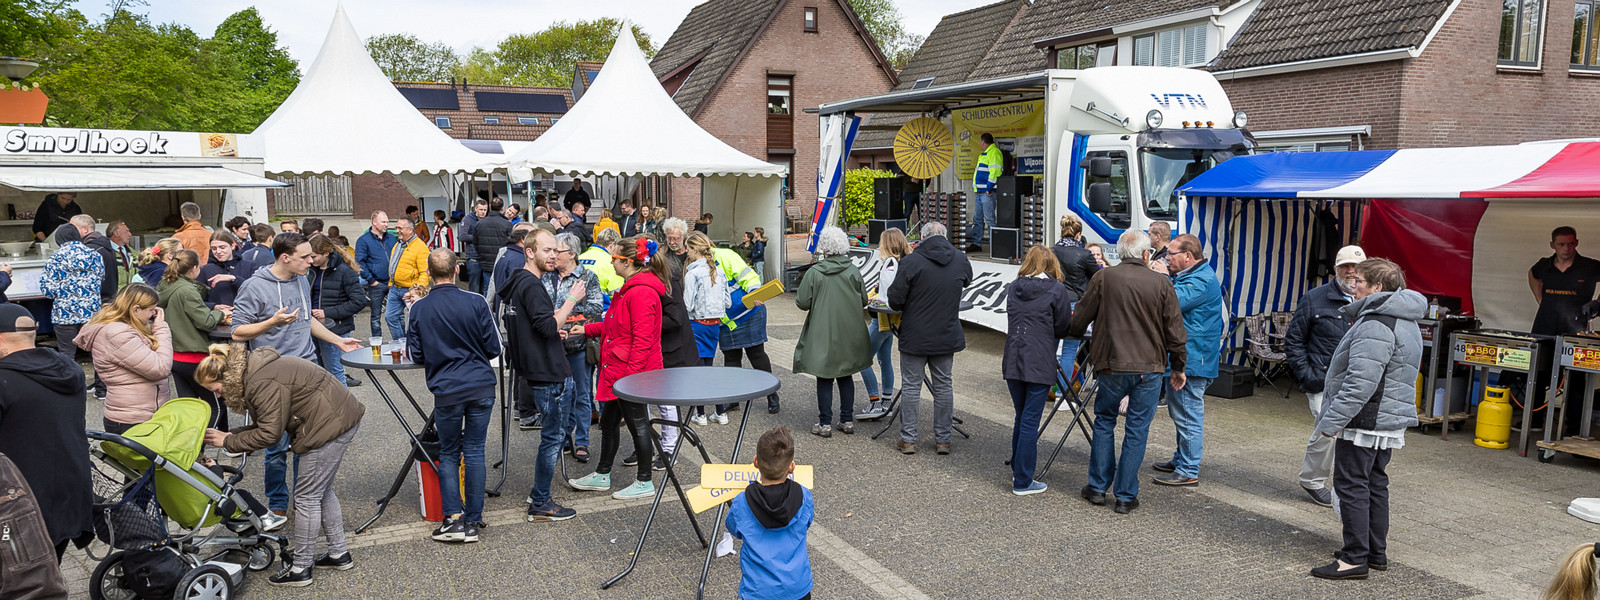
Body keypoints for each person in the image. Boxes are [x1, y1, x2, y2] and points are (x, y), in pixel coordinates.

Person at [198, 342, 365, 587]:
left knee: (307, 497)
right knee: (320, 492)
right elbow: (268, 423)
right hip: (336, 416)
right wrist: (230, 435)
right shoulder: (254, 370)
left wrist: (229, 441)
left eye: (217, 390)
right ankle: (339, 554)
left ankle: (301, 569)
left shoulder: (260, 382)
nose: (219, 396)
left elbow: (269, 434)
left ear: (227, 377)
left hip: (328, 425)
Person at [231, 232, 363, 522]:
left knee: (307, 443)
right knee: (276, 446)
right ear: (285, 257)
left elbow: (307, 320)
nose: (311, 261)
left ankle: (302, 499)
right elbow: (237, 331)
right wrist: (272, 322)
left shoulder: (302, 279)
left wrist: (338, 340)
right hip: (273, 381)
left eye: (311, 255)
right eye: (304, 257)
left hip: (307, 374)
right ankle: (277, 502)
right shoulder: (254, 287)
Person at [1309, 258, 1424, 581]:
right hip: (1384, 416)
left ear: (1377, 287)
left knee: (1351, 486)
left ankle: (1354, 558)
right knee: (1374, 483)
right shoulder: (1404, 317)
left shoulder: (1376, 322)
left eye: (1358, 281)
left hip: (1367, 417)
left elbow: (1360, 382)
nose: (1352, 285)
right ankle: (1374, 552)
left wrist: (1331, 422)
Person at [1066, 230, 1186, 515]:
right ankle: (1125, 495)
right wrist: (1179, 367)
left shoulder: (1103, 278)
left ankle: (1098, 487)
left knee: (1104, 422)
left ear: (1119, 253)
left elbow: (1080, 319)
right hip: (1149, 367)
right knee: (1137, 430)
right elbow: (1175, 332)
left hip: (1111, 364)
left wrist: (1072, 332)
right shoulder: (1162, 283)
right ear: (1146, 254)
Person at [407, 249, 503, 540]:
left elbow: (415, 354)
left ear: (428, 272)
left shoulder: (419, 308)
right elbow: (495, 347)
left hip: (447, 388)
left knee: (449, 452)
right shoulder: (476, 301)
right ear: (457, 270)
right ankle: (473, 519)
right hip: (480, 384)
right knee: (474, 450)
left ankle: (453, 519)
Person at [566, 236, 666, 501]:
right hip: (619, 371)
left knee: (637, 425)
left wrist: (630, 379)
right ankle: (602, 474)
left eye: (614, 259)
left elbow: (643, 340)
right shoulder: (632, 288)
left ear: (627, 262)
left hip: (628, 373)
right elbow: (616, 325)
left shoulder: (640, 292)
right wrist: (586, 329)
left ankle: (644, 481)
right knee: (609, 423)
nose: (611, 263)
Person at [499, 229, 585, 517]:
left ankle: (539, 493)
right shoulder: (532, 285)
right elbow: (546, 325)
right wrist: (571, 300)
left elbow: (532, 326)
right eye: (547, 250)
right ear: (529, 252)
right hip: (550, 373)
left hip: (537, 369)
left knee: (555, 433)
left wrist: (550, 332)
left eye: (555, 251)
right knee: (553, 437)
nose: (553, 256)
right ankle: (540, 502)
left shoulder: (516, 283)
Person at [0, 303, 95, 561]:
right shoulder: (68, 369)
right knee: (47, 568)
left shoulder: (5, 380)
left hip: (18, 501)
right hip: (68, 493)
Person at [1286, 244, 1366, 507]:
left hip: (1359, 381)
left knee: (1354, 434)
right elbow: (1294, 341)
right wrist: (1308, 376)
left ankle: (1349, 481)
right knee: (1328, 430)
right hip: (1323, 381)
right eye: (1345, 267)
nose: (1351, 272)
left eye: (1356, 267)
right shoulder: (1314, 298)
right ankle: (1313, 481)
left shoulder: (1372, 300)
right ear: (1335, 269)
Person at [887, 221, 972, 455]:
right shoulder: (960, 259)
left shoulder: (911, 261)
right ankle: (943, 440)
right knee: (944, 385)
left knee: (911, 386)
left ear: (922, 237)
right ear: (945, 236)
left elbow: (895, 300)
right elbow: (967, 280)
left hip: (915, 334)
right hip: (946, 333)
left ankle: (908, 439)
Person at [1150, 234, 1223, 488]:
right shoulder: (1194, 275)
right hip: (1189, 355)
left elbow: (1172, 302)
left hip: (1193, 358)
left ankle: (1188, 469)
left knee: (1188, 413)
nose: (1167, 258)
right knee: (1179, 411)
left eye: (1171, 254)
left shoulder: (1201, 280)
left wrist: (1163, 277)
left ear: (1188, 256)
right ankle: (1181, 458)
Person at [1003, 246, 1075, 496]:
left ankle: (1018, 467)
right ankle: (1023, 480)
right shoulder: (1056, 289)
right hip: (1040, 358)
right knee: (1030, 420)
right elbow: (1063, 326)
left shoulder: (1014, 287)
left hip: (1013, 356)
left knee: (1021, 416)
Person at [794, 227, 871, 438]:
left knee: (824, 376)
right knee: (846, 374)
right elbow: (864, 300)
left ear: (824, 247)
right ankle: (847, 420)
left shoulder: (814, 272)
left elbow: (802, 302)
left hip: (822, 331)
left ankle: (824, 423)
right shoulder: (853, 271)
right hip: (849, 331)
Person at [726, 426, 814, 600]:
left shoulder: (742, 501)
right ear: (792, 467)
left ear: (756, 462)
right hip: (797, 588)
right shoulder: (804, 496)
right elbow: (807, 522)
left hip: (759, 590)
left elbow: (734, 529)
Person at [1530, 227, 1600, 437]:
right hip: (1544, 326)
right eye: (1561, 244)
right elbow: (1532, 274)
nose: (1566, 248)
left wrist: (1597, 303)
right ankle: (1534, 420)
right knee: (1538, 373)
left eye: (1570, 243)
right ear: (1552, 245)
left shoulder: (1590, 266)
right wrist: (1539, 297)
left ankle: (1573, 429)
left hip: (1575, 330)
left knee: (1576, 379)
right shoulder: (1544, 265)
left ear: (1576, 243)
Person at [76, 283, 173, 435]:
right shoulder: (118, 334)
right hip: (133, 419)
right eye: (150, 310)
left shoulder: (124, 328)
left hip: (138, 414)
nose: (152, 315)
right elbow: (160, 368)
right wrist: (161, 328)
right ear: (135, 310)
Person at [158, 249, 234, 431]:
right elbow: (206, 322)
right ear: (194, 268)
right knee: (215, 406)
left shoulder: (166, 285)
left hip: (175, 356)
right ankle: (203, 443)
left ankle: (192, 445)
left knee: (189, 408)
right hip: (194, 356)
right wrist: (220, 313)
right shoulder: (186, 291)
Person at [553, 232, 603, 463]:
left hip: (579, 344)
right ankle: (563, 438)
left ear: (572, 254)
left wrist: (565, 312)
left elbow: (596, 307)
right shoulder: (547, 276)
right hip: (553, 344)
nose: (553, 255)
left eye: (557, 251)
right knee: (560, 395)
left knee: (582, 394)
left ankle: (582, 441)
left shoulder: (587, 277)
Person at [858, 228, 909, 419]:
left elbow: (887, 296)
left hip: (882, 319)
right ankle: (887, 401)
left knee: (862, 359)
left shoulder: (889, 263)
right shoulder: (905, 262)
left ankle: (875, 402)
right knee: (884, 360)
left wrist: (874, 299)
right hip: (894, 321)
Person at [685, 232, 733, 424]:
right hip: (714, 326)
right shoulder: (719, 272)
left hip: (697, 325)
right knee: (708, 368)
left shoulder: (693, 274)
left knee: (699, 370)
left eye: (688, 249)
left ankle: (701, 413)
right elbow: (728, 302)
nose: (687, 252)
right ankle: (719, 411)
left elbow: (687, 305)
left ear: (695, 250)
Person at [308, 234, 367, 387]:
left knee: (335, 373)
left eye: (313, 256)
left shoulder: (344, 271)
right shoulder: (310, 270)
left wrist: (327, 312)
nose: (310, 260)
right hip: (314, 327)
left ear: (326, 253)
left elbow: (359, 301)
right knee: (318, 373)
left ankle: (343, 402)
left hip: (336, 329)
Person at [41, 223, 104, 366]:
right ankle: (100, 382)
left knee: (67, 355)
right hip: (92, 313)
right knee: (97, 353)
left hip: (64, 314)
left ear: (58, 239)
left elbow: (48, 291)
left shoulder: (55, 258)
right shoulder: (95, 255)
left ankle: (71, 380)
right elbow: (101, 279)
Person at [1052, 214, 1101, 378]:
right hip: (1075, 304)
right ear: (1078, 234)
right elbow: (1098, 277)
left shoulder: (1051, 252)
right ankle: (1063, 390)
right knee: (1069, 351)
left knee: (1050, 349)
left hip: (1054, 303)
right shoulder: (1084, 254)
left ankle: (1045, 387)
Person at [385, 216, 430, 339]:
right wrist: (391, 284)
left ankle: (415, 344)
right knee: (390, 317)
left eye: (400, 228)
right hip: (395, 289)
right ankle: (401, 343)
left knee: (416, 322)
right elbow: (393, 265)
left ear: (410, 230)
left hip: (411, 291)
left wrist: (415, 291)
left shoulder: (420, 247)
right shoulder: (398, 244)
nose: (397, 231)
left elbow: (425, 273)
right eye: (396, 228)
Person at [355, 211, 398, 338]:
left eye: (387, 222)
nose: (386, 224)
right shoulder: (363, 240)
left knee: (398, 315)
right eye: (383, 222)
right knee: (375, 316)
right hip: (376, 283)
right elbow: (360, 263)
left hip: (393, 283)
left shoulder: (392, 238)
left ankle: (401, 341)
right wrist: (371, 280)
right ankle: (377, 343)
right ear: (374, 222)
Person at [965, 133, 1001, 252]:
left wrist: (989, 188)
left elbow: (995, 172)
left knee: (989, 219)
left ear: (983, 142)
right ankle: (977, 243)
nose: (980, 144)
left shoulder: (994, 153)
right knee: (978, 219)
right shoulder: (985, 154)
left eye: (980, 142)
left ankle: (995, 246)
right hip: (980, 192)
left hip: (987, 192)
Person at [489, 225, 535, 320]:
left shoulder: (506, 255)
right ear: (523, 239)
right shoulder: (520, 260)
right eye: (533, 236)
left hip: (504, 312)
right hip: (513, 316)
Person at [199, 231, 251, 307]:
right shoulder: (205, 270)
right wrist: (213, 306)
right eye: (214, 248)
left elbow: (257, 291)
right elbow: (197, 300)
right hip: (220, 314)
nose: (218, 252)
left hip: (246, 312)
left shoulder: (249, 266)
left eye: (222, 247)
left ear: (232, 246)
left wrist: (234, 279)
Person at [473, 197, 514, 292]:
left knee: (487, 288)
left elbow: (475, 242)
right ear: (502, 208)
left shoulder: (479, 224)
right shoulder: (508, 224)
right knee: (503, 289)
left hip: (486, 261)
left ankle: (488, 302)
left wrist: (481, 254)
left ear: (490, 206)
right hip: (503, 261)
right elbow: (512, 243)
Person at [578, 227, 625, 297]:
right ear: (612, 245)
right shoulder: (612, 261)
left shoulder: (579, 258)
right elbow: (617, 292)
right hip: (601, 301)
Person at [462, 198, 489, 295]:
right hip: (473, 257)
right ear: (476, 209)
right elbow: (462, 236)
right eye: (481, 209)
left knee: (485, 287)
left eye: (485, 210)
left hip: (486, 257)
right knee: (474, 286)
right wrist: (477, 237)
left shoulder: (487, 219)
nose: (483, 212)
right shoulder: (468, 219)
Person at [106, 220, 137, 291]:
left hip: (130, 293)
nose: (130, 234)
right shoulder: (105, 252)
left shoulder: (133, 253)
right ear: (116, 233)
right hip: (114, 296)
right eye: (127, 231)